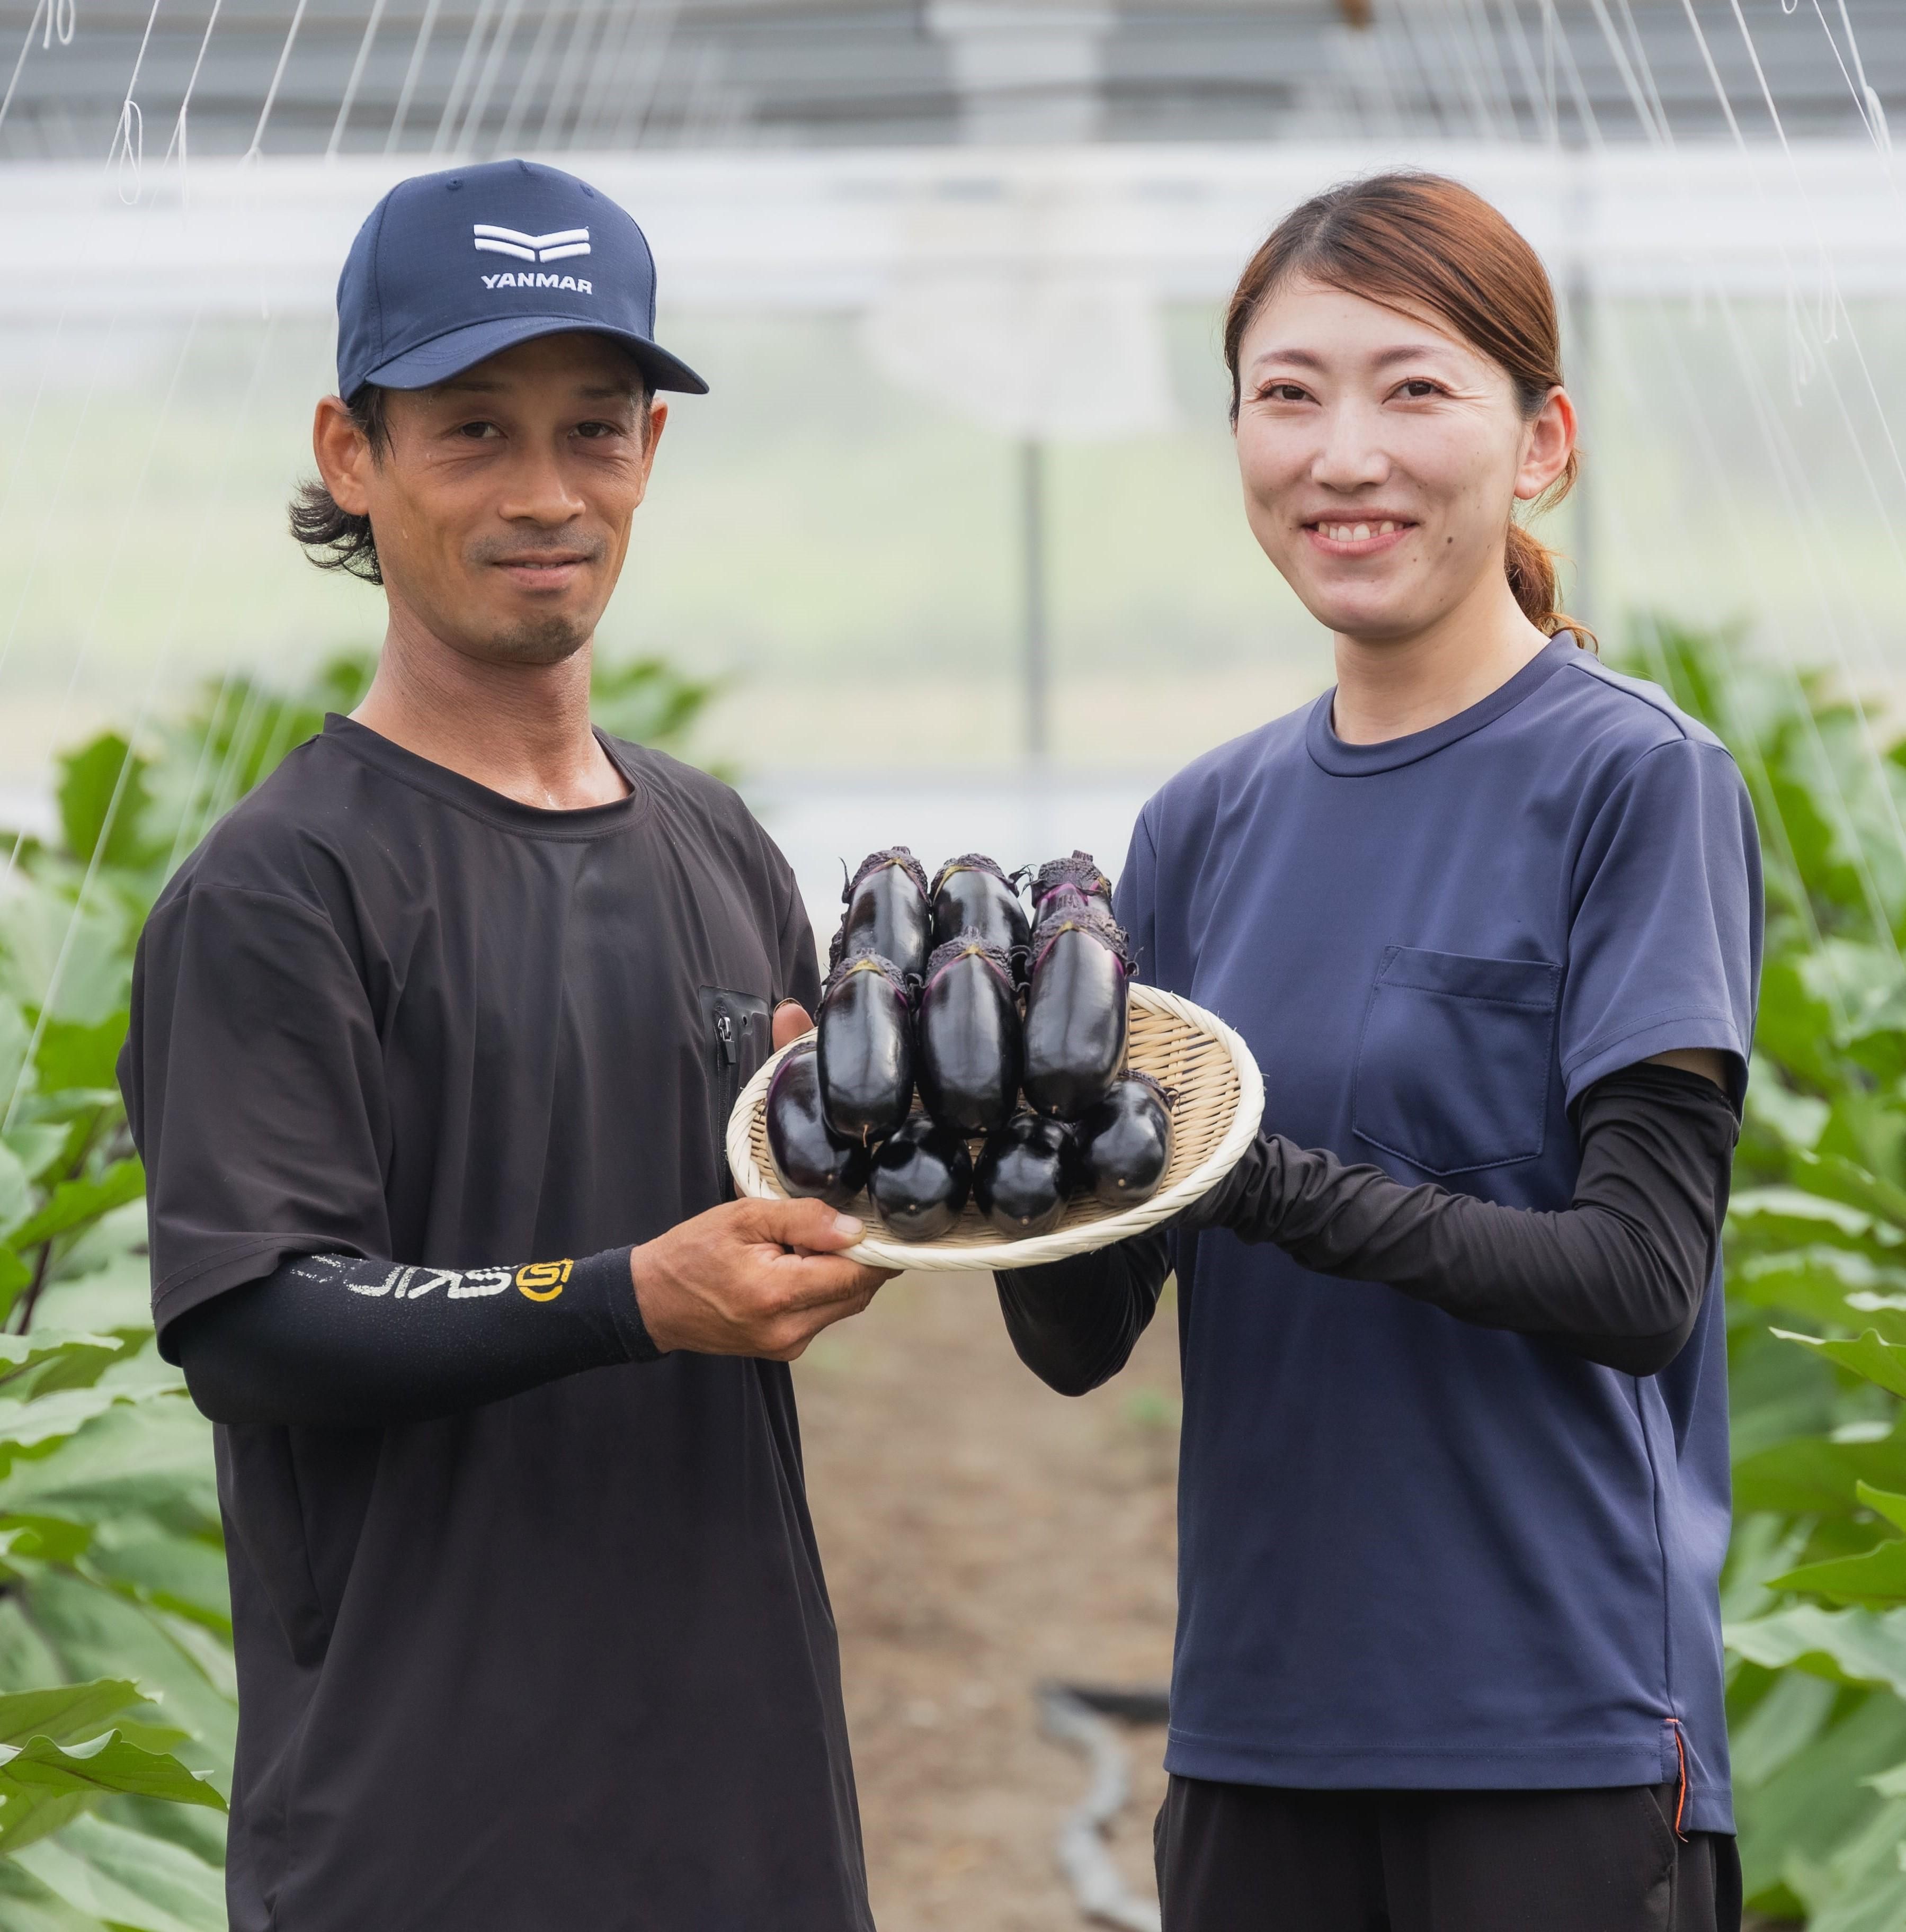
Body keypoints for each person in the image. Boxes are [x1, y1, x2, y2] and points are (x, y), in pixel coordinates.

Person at [118, 158, 888, 1932]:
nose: (548, 493)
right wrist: (634, 1294)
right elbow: (256, 1321)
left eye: (594, 430)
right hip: (426, 1842)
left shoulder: (719, 848)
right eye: (473, 431)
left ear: (650, 455)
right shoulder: (282, 889)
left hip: (743, 1807)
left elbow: (756, 1235)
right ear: (350, 453)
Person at [997, 173, 1758, 1932]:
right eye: (1289, 393)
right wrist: (993, 1166)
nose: (1344, 453)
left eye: (1413, 388)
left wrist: (1251, 1172)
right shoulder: (1201, 825)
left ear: (1540, 439)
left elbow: (1641, 1280)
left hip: (1556, 1738)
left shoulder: (1633, 782)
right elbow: (1082, 1341)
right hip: (1259, 1729)